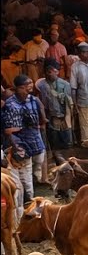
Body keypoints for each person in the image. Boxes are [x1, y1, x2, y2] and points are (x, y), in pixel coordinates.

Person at [4, 75, 47, 206]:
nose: (31, 86)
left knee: (38, 162)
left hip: (35, 139)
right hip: (21, 144)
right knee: (25, 177)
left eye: (31, 83)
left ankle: (31, 193)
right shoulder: (11, 105)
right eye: (27, 84)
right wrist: (17, 148)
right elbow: (10, 131)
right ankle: (28, 203)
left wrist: (41, 120)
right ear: (19, 88)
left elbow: (41, 117)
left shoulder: (32, 100)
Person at [36, 59, 72, 154]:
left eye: (53, 71)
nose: (50, 74)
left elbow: (69, 101)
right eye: (48, 72)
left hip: (64, 115)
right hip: (49, 116)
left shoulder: (65, 84)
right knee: (53, 138)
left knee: (66, 138)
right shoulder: (41, 85)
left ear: (57, 72)